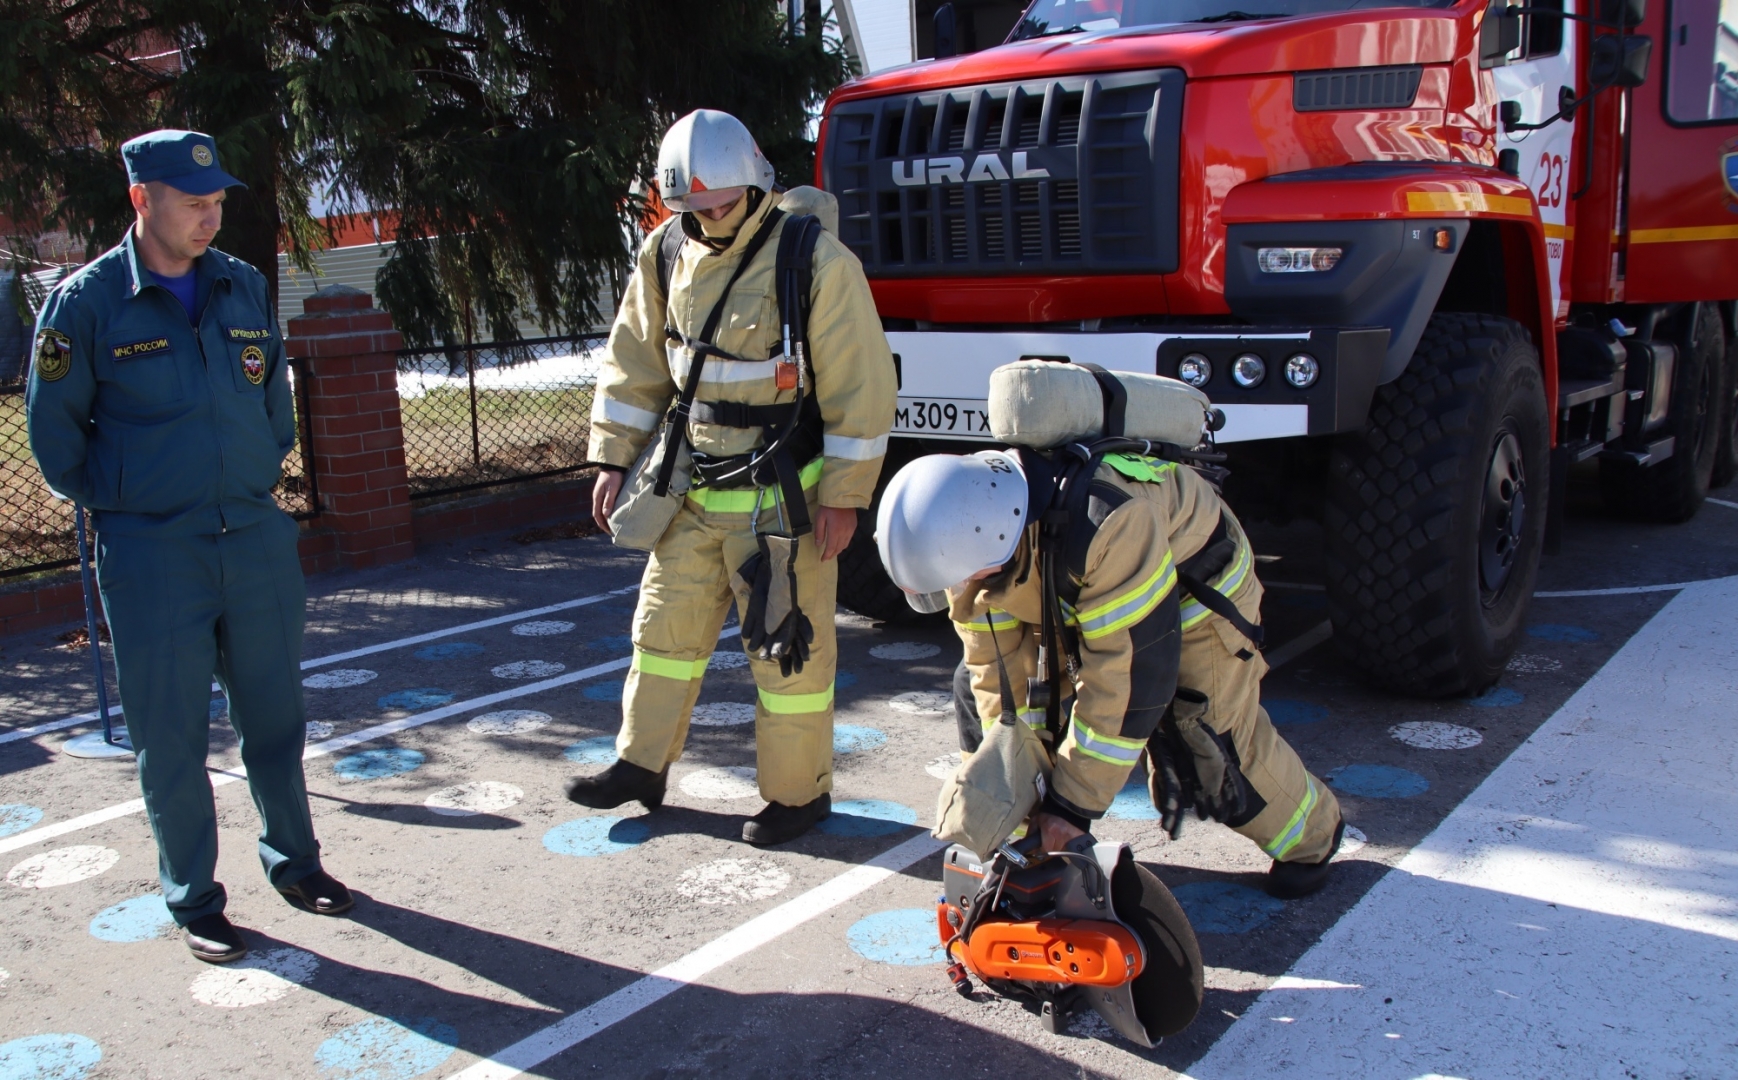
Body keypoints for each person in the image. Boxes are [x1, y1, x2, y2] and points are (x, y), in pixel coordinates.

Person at [26, 130, 350, 964]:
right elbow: (55, 440)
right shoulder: (87, 303)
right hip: (152, 551)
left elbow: (274, 408)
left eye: (217, 204)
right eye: (193, 204)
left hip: (252, 538)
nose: (210, 219)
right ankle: (195, 897)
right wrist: (133, 499)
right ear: (143, 201)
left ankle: (296, 863)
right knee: (170, 736)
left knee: (276, 718)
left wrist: (245, 477)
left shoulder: (240, 285)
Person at [568, 110, 896, 845]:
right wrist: (612, 455)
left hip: (783, 505)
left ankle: (797, 796)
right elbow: (634, 365)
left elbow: (860, 389)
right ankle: (639, 766)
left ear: (754, 185)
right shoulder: (663, 254)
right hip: (691, 493)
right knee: (661, 636)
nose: (710, 219)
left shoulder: (814, 260)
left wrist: (844, 498)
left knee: (789, 659)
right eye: (693, 207)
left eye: (722, 203)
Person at [877, 447, 1345, 898]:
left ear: (992, 543)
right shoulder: (969, 548)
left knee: (1201, 740)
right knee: (995, 715)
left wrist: (1072, 807)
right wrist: (1017, 811)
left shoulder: (1107, 525)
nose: (959, 590)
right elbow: (997, 682)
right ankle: (1034, 859)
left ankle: (1313, 835)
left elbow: (1128, 682)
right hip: (1073, 588)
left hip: (1194, 592)